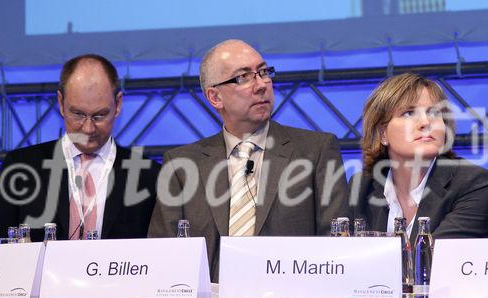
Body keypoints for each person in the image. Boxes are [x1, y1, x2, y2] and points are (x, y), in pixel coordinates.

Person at [148, 39, 348, 281]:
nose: (262, 84)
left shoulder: (316, 151)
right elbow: (162, 257)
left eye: (264, 72)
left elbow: (337, 248)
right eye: (244, 77)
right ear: (215, 97)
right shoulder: (181, 165)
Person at [0, 54, 161, 241]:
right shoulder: (21, 166)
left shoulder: (149, 176)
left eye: (99, 115)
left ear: (118, 104)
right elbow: (1, 250)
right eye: (78, 114)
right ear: (61, 103)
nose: (88, 128)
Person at [349, 73, 488, 243]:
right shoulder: (362, 186)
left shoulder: (476, 184)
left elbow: (433, 259)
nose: (425, 122)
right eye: (409, 113)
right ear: (382, 134)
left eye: (434, 113)